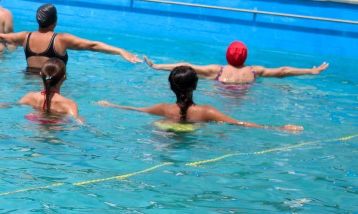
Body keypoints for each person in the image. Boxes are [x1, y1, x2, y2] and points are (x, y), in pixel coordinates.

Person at [97, 65, 303, 130]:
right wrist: (278, 128)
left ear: (170, 86)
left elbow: (135, 110)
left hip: (167, 131)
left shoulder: (163, 109)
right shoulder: (206, 111)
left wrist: (110, 104)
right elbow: (238, 123)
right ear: (196, 85)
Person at [0, 3, 141, 70]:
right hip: (52, 88)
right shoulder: (60, 39)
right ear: (55, 21)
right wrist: (120, 51)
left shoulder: (26, 37)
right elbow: (92, 45)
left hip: (27, 83)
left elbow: (2, 37)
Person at [144, 41, 329, 85]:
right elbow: (283, 71)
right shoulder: (254, 71)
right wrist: (309, 71)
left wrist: (157, 66)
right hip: (247, 96)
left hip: (221, 95)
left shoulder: (216, 70)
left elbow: (186, 66)